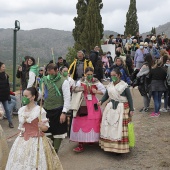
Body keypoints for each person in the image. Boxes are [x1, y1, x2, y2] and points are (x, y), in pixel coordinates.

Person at [5, 87, 63, 170]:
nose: (24, 97)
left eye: (26, 96)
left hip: (36, 140)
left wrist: (41, 126)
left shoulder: (39, 110)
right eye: (23, 95)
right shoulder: (21, 110)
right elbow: (21, 126)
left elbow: (46, 128)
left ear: (33, 97)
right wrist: (21, 131)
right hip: (22, 139)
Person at [98, 68, 134, 153]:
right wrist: (101, 101)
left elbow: (129, 98)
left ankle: (120, 148)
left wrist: (131, 109)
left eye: (114, 75)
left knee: (120, 128)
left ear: (119, 75)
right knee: (109, 126)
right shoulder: (110, 85)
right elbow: (106, 95)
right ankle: (109, 146)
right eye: (111, 75)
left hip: (122, 108)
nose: (113, 77)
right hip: (110, 108)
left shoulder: (124, 86)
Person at [70, 67, 106, 152]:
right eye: (88, 74)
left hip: (93, 102)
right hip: (83, 103)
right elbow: (74, 89)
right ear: (85, 74)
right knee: (80, 121)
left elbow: (104, 91)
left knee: (94, 120)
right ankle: (81, 143)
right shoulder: (80, 81)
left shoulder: (96, 81)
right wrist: (79, 89)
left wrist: (96, 91)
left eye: (91, 74)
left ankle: (91, 139)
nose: (89, 76)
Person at [40, 63, 70, 153]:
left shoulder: (64, 81)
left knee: (58, 132)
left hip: (58, 110)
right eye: (48, 73)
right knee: (47, 130)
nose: (50, 75)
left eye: (52, 73)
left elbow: (67, 98)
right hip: (46, 109)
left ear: (57, 71)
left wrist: (64, 112)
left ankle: (55, 151)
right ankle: (49, 149)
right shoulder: (44, 79)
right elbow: (41, 93)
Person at [0, 62, 14, 128]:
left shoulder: (6, 75)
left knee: (7, 109)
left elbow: (7, 86)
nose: (4, 68)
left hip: (4, 96)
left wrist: (8, 95)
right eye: (3, 67)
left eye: (4, 66)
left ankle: (10, 122)